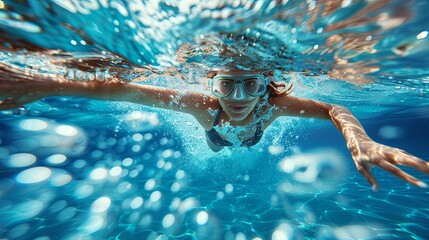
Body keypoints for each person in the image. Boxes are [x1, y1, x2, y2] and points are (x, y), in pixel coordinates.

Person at [1, 63, 428, 192]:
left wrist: (360, 138)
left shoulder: (274, 107)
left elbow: (334, 107)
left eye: (250, 85)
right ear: (212, 84)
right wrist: (47, 82)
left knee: (247, 141)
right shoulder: (203, 108)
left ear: (265, 86)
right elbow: (122, 89)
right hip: (215, 136)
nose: (239, 96)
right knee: (221, 148)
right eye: (227, 84)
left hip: (256, 135)